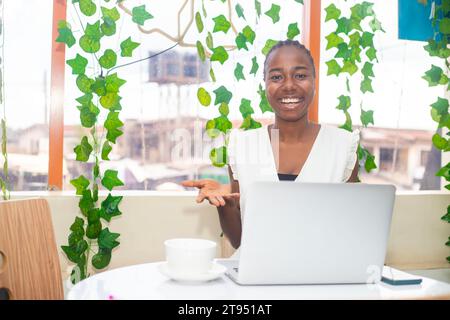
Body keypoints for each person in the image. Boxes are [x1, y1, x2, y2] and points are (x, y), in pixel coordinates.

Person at [182, 39, 360, 251]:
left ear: (314, 81)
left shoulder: (342, 146)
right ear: (265, 84)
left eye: (300, 75)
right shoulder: (243, 145)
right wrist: (224, 206)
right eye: (276, 77)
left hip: (321, 276)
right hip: (256, 277)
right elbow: (240, 243)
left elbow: (349, 232)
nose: (289, 86)